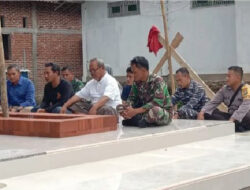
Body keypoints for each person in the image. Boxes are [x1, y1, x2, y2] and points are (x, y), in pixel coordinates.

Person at [120, 56, 172, 127]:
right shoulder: (136, 83)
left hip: (162, 113)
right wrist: (127, 110)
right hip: (145, 112)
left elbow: (156, 103)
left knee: (155, 111)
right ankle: (142, 121)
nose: (133, 75)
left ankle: (140, 121)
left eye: (135, 72)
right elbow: (131, 99)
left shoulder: (158, 81)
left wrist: (135, 111)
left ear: (143, 70)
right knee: (123, 109)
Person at [198, 66, 250, 132]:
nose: (226, 78)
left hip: (244, 118)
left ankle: (234, 126)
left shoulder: (246, 89)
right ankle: (233, 127)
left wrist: (232, 119)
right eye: (226, 76)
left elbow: (245, 107)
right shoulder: (224, 89)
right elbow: (213, 102)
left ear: (238, 78)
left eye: (229, 76)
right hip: (231, 117)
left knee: (245, 117)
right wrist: (202, 112)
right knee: (210, 113)